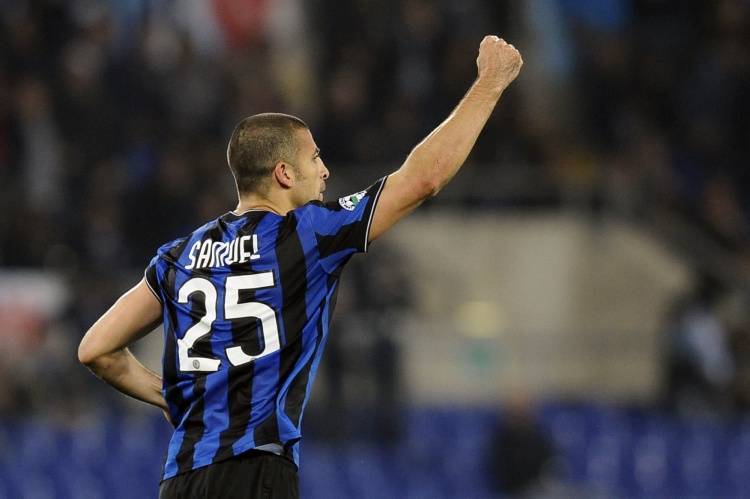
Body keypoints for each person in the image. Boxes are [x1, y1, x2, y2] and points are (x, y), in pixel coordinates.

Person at [78, 35, 522, 499]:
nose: (324, 170)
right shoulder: (307, 233)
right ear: (284, 173)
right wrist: (490, 82)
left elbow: (96, 349)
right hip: (256, 471)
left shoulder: (178, 256)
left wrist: (168, 398)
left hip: (181, 480)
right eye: (314, 158)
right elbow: (423, 179)